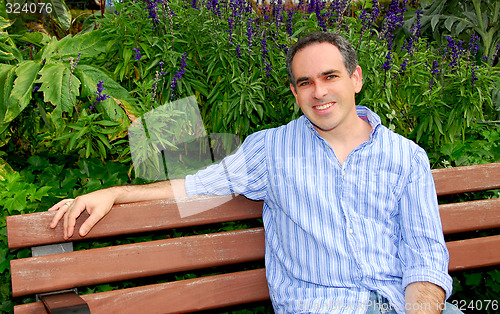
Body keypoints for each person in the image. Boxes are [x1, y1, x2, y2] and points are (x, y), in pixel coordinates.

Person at [49, 32, 461, 314]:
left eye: (330, 76)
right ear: (294, 92)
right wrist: (116, 194)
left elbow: (426, 259)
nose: (318, 92)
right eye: (305, 82)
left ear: (355, 78)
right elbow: (197, 186)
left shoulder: (406, 157)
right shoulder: (271, 149)